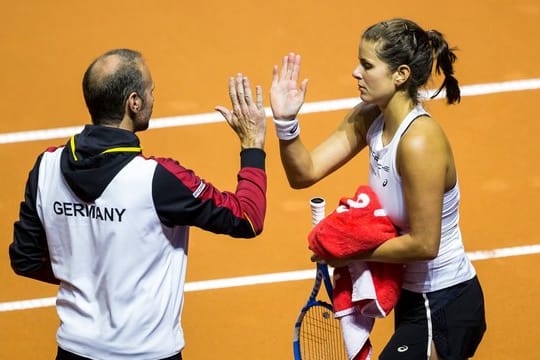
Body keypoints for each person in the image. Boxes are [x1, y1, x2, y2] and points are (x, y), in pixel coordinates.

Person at [9, 48, 267, 360]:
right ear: (134, 102)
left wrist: (86, 275)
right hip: (147, 355)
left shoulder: (46, 168)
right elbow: (247, 218)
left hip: (73, 351)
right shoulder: (158, 180)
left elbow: (25, 259)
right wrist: (252, 145)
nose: (153, 98)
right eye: (150, 90)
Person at [269, 18, 486, 359]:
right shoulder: (371, 117)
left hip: (445, 301)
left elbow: (425, 244)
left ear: (400, 74)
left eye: (367, 65)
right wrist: (285, 122)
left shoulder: (419, 142)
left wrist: (348, 252)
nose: (356, 72)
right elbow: (304, 173)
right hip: (413, 298)